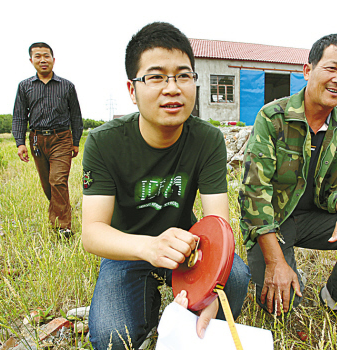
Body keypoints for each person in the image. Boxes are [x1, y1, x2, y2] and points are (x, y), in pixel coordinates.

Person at [81, 22, 250, 350]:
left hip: (188, 248)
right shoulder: (104, 142)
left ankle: (195, 325)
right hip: (128, 250)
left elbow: (218, 226)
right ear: (132, 90)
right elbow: (93, 232)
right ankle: (148, 317)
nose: (172, 88)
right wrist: (148, 248)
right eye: (156, 77)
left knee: (237, 277)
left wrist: (211, 292)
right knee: (112, 338)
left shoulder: (208, 139)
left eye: (183, 75)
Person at [239, 34, 337, 341]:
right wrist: (275, 261)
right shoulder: (273, 117)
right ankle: (283, 266)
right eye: (332, 68)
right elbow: (254, 194)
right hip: (274, 224)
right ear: (308, 70)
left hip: (315, 221)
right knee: (281, 306)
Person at [12, 42, 83, 236]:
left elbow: (76, 115)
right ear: (31, 60)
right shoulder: (25, 86)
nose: (43, 60)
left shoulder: (67, 86)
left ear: (53, 59)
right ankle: (61, 212)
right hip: (36, 140)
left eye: (46, 56)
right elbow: (19, 116)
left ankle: (63, 227)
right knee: (47, 184)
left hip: (61, 138)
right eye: (38, 56)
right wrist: (20, 143)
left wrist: (75, 141)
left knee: (57, 180)